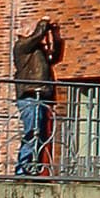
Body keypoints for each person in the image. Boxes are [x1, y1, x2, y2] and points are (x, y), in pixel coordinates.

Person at [12, 18, 64, 177]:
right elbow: (36, 36)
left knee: (40, 134)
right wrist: (43, 23)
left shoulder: (39, 51)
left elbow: (56, 56)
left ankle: (33, 167)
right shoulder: (22, 46)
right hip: (30, 95)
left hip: (41, 95)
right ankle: (23, 169)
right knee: (32, 132)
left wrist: (55, 33)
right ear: (27, 32)